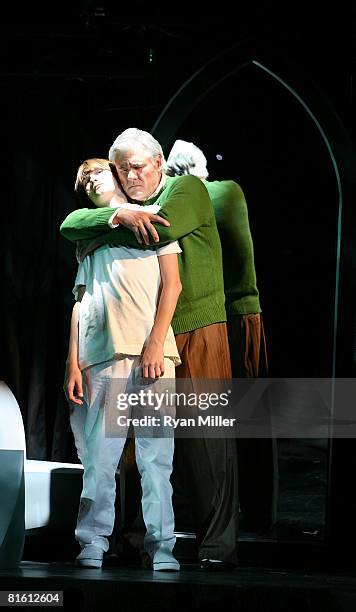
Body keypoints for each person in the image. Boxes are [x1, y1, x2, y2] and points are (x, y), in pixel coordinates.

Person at [60, 128, 239, 570]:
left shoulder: (177, 195)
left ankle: (183, 546)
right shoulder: (99, 229)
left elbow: (165, 250)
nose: (127, 174)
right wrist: (112, 219)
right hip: (111, 349)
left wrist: (158, 341)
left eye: (135, 166)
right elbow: (78, 284)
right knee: (106, 454)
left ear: (159, 163)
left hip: (171, 341)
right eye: (121, 168)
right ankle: (107, 540)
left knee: (175, 449)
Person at [64, 157, 182, 570]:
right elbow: (79, 303)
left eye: (98, 171)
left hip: (153, 353)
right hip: (102, 354)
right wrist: (72, 363)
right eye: (85, 179)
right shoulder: (88, 231)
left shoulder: (156, 216)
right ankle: (92, 540)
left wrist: (154, 344)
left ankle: (162, 545)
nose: (93, 179)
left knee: (156, 457)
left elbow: (173, 284)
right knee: (100, 455)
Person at [165, 139, 278, 532]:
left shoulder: (201, 194)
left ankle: (214, 511)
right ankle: (258, 511)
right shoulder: (227, 190)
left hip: (223, 319)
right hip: (243, 314)